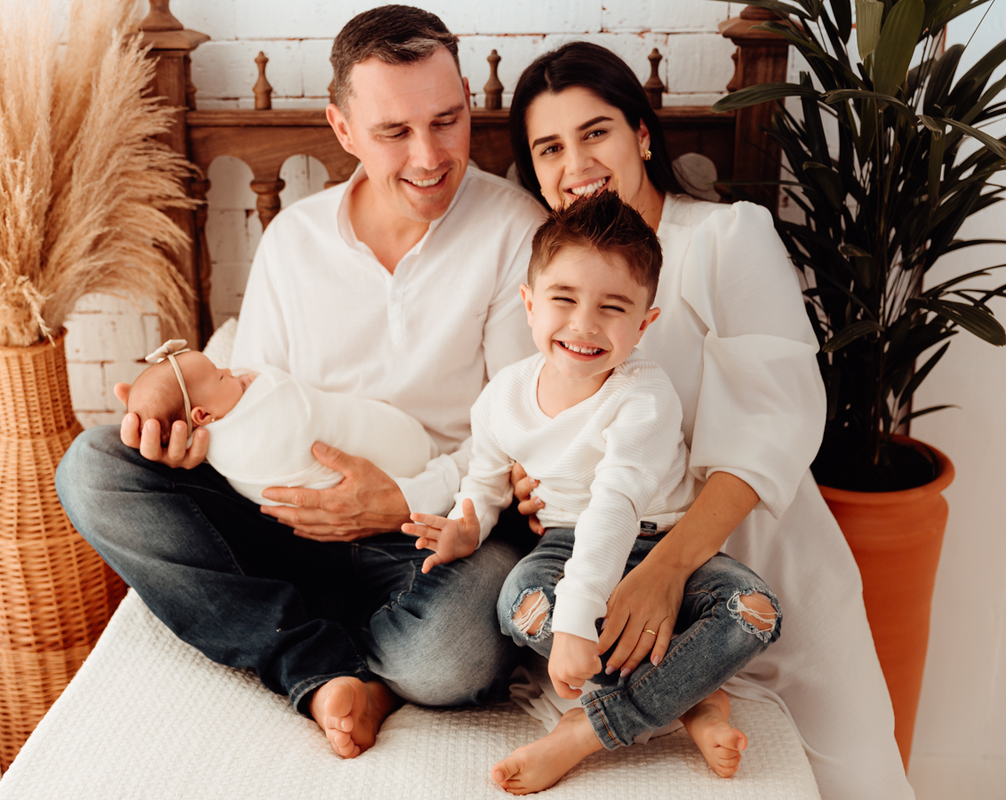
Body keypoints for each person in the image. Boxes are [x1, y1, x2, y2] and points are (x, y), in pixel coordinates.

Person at [54, 5, 547, 761]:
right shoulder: (294, 238)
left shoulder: (517, 232)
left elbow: (517, 437)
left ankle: (344, 656)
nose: (430, 155)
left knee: (448, 654)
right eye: (394, 131)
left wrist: (398, 500)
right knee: (94, 468)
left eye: (447, 121)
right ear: (343, 129)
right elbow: (248, 397)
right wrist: (195, 440)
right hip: (287, 522)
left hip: (434, 535)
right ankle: (317, 661)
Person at [504, 42, 913, 798]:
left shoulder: (726, 238)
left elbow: (775, 423)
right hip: (621, 570)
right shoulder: (549, 277)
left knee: (860, 777)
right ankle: (661, 708)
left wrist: (667, 570)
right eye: (549, 148)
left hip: (758, 557)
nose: (575, 164)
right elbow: (543, 414)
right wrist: (534, 482)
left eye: (595, 132)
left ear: (642, 135)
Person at [405, 189, 780, 793]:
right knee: (520, 602)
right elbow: (485, 476)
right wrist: (467, 523)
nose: (584, 324)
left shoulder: (643, 395)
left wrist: (579, 622)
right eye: (563, 299)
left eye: (613, 307)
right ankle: (690, 697)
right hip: (564, 543)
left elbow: (616, 506)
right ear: (529, 304)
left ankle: (588, 729)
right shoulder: (502, 396)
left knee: (753, 611)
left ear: (645, 323)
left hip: (658, 542)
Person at [125, 339, 435, 506]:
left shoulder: (228, 420)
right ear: (203, 416)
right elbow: (284, 399)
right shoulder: (245, 437)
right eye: (220, 376)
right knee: (103, 450)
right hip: (304, 520)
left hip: (400, 491)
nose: (232, 371)